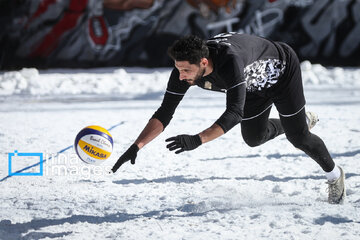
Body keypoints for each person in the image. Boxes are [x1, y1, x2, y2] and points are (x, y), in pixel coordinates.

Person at [111, 32, 345, 204]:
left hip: (282, 73)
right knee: (253, 138)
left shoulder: (229, 61)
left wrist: (198, 139)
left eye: (186, 71)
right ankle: (299, 120)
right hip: (252, 87)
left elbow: (234, 113)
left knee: (299, 137)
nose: (181, 76)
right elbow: (164, 112)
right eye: (178, 69)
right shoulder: (183, 70)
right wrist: (136, 146)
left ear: (204, 62)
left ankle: (335, 176)